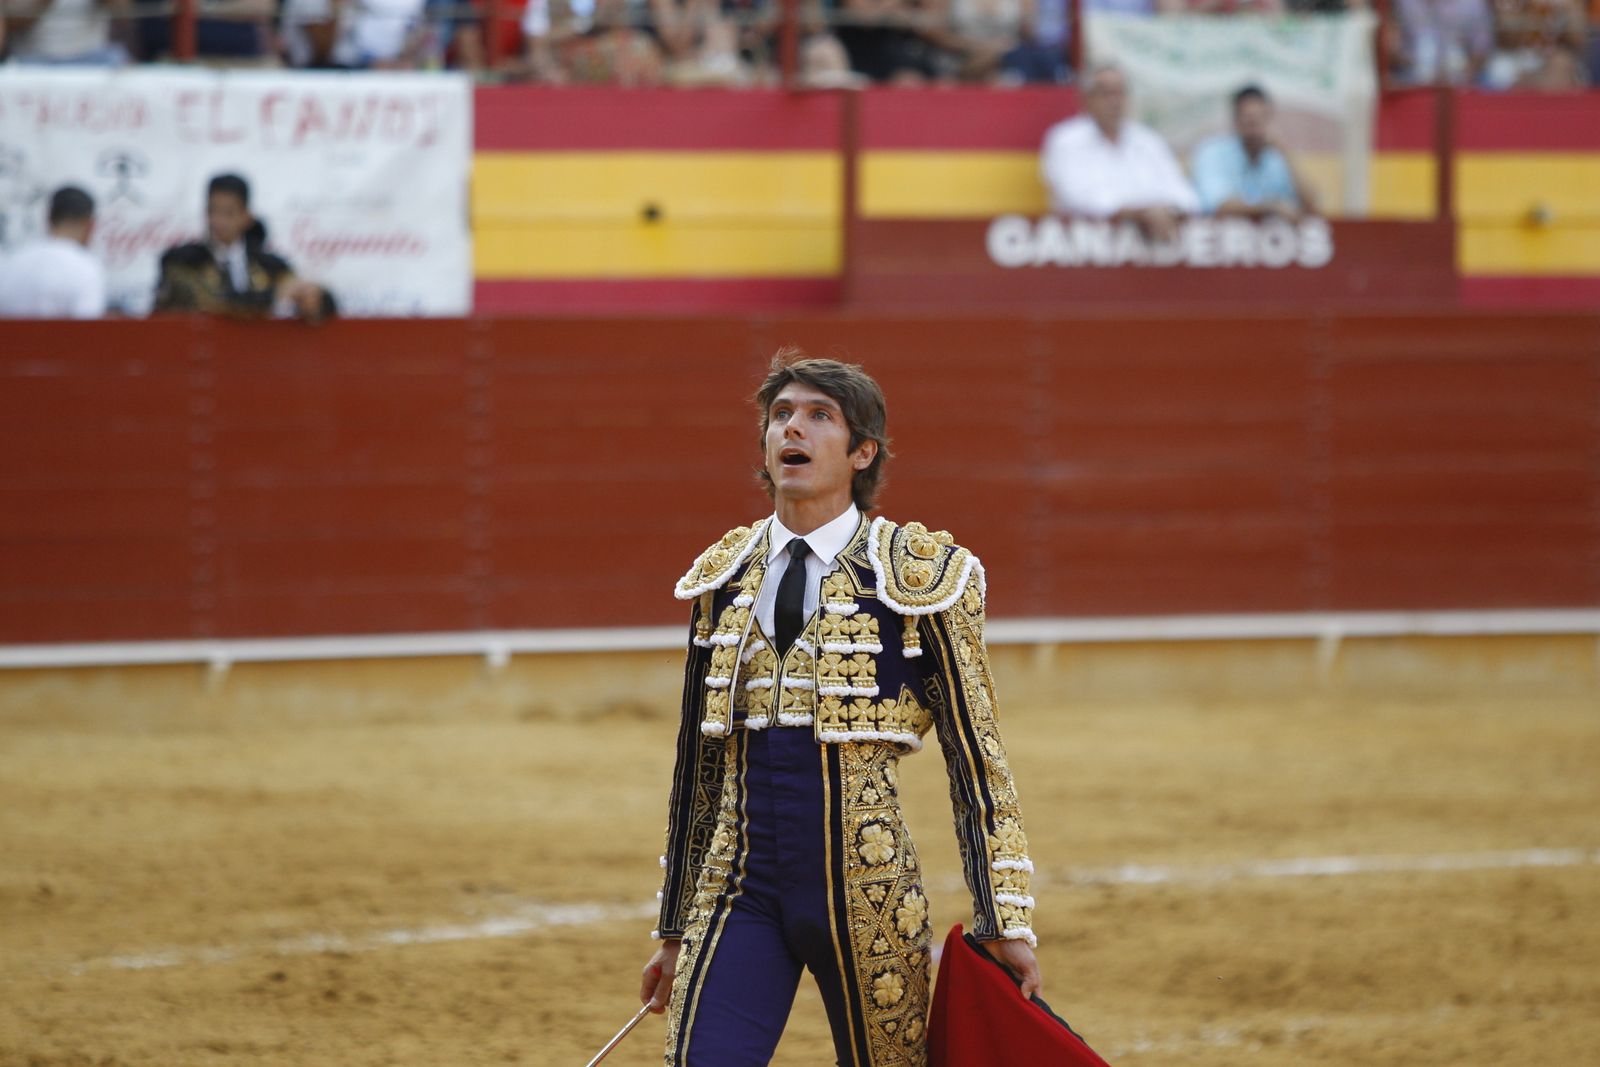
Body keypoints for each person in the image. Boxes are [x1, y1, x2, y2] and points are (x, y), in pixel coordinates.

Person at [641, 353, 1042, 1066]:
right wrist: (675, 930)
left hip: (869, 888)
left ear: (863, 452)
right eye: (781, 414)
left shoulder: (918, 576)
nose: (792, 427)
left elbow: (977, 758)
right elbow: (697, 770)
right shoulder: (724, 577)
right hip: (740, 889)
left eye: (818, 415)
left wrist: (1005, 919)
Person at [1039, 62, 1198, 241]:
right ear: (1085, 99)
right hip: (1085, 251)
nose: (1115, 102)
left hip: (1154, 248)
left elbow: (1185, 195)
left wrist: (1165, 210)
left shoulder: (1148, 141)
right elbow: (1075, 198)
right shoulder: (1065, 141)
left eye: (1120, 93)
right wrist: (1139, 213)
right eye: (1105, 94)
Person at [152, 173, 333, 321]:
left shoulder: (271, 266)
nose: (217, 221)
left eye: (228, 213)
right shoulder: (181, 261)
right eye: (212, 211)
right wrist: (274, 295)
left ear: (247, 217)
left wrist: (313, 299)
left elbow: (318, 307)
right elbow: (210, 303)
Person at [1191, 85, 1319, 220]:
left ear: (1269, 119)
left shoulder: (1276, 157)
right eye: (1248, 119)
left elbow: (1311, 205)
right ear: (1235, 121)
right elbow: (1218, 206)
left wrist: (1286, 154)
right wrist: (1270, 207)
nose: (1254, 126)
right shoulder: (1212, 153)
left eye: (1260, 118)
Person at [0, 185, 106, 319]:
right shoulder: (86, 269)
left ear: (48, 218)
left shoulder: (12, 262)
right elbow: (87, 332)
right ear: (90, 224)